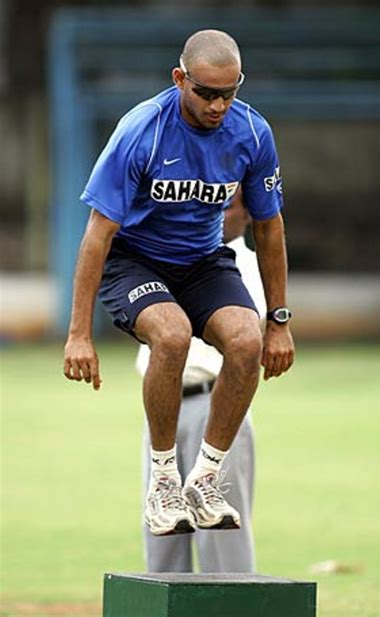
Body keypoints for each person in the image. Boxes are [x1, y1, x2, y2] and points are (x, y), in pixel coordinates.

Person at [63, 29, 294, 537]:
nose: (217, 106)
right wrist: (79, 333)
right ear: (180, 79)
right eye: (206, 93)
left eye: (228, 93)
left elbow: (268, 225)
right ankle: (164, 481)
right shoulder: (141, 131)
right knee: (170, 335)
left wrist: (278, 320)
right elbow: (97, 236)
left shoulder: (252, 134)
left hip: (202, 260)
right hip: (135, 261)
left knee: (246, 338)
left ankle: (204, 479)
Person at [138, 192, 265, 572]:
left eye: (228, 205)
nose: (217, 212)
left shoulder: (246, 266)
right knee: (161, 535)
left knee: (223, 542)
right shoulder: (168, 252)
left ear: (248, 214)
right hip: (162, 409)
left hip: (214, 407)